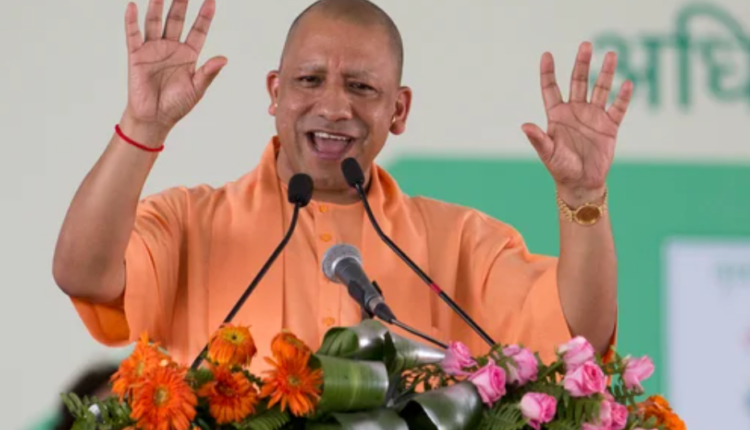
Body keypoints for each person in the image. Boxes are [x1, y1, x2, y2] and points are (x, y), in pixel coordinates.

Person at [52, 0, 631, 371]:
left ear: (398, 110)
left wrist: (583, 197)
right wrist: (143, 127)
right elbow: (83, 274)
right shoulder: (189, 222)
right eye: (309, 80)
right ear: (275, 92)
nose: (333, 107)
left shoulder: (460, 241)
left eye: (361, 87)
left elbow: (577, 333)